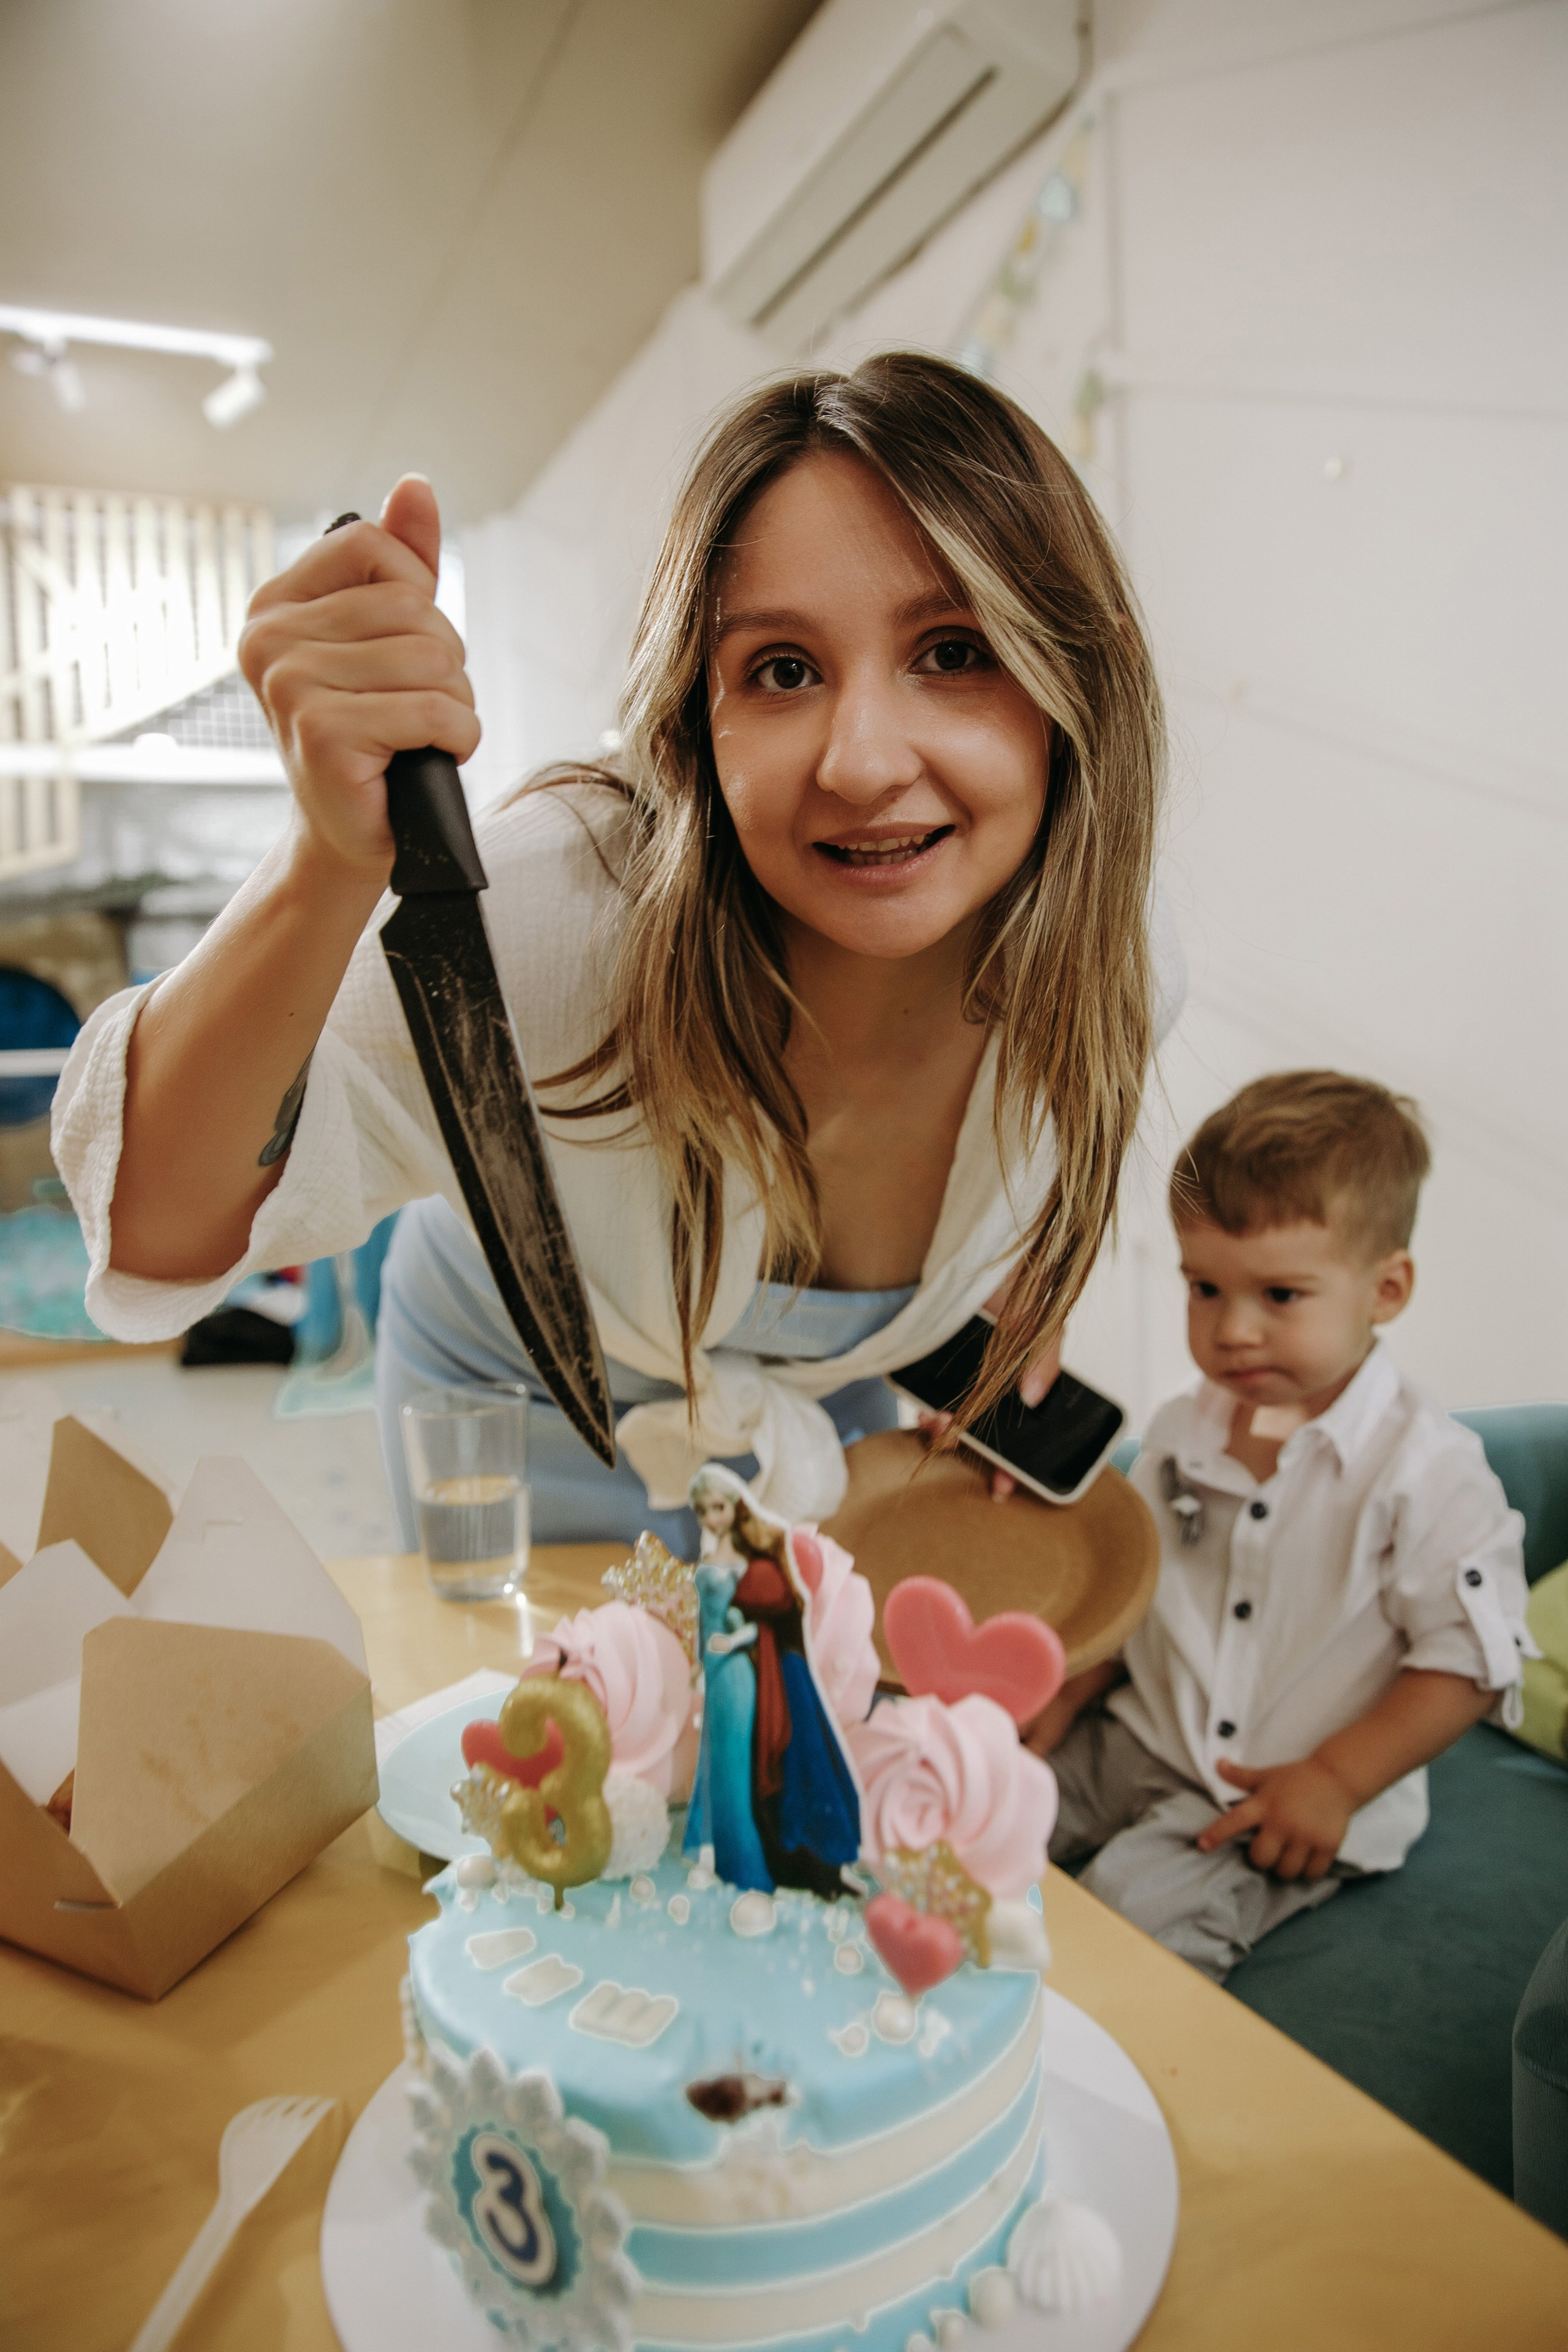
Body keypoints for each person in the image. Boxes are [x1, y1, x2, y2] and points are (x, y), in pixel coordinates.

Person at [53, 353, 1177, 1551]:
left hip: (804, 1423)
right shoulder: (553, 918)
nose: (860, 761)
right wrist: (326, 863)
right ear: (696, 720)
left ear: (1077, 684)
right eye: (781, 671)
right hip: (519, 1407)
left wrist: (1007, 1291)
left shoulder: (1096, 987)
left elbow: (1012, 1181)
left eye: (952, 651)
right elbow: (148, 1228)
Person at [1030, 1071, 1534, 1981]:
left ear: (1387, 1289)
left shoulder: (1428, 1472)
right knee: (977, 1804)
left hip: (1273, 1789)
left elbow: (1467, 1659)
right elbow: (1139, 1582)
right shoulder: (1189, 1427)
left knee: (1128, 1916)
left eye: (1281, 1296)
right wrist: (1070, 1688)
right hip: (1140, 1732)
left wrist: (1337, 1779)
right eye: (1205, 1289)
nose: (1233, 1332)